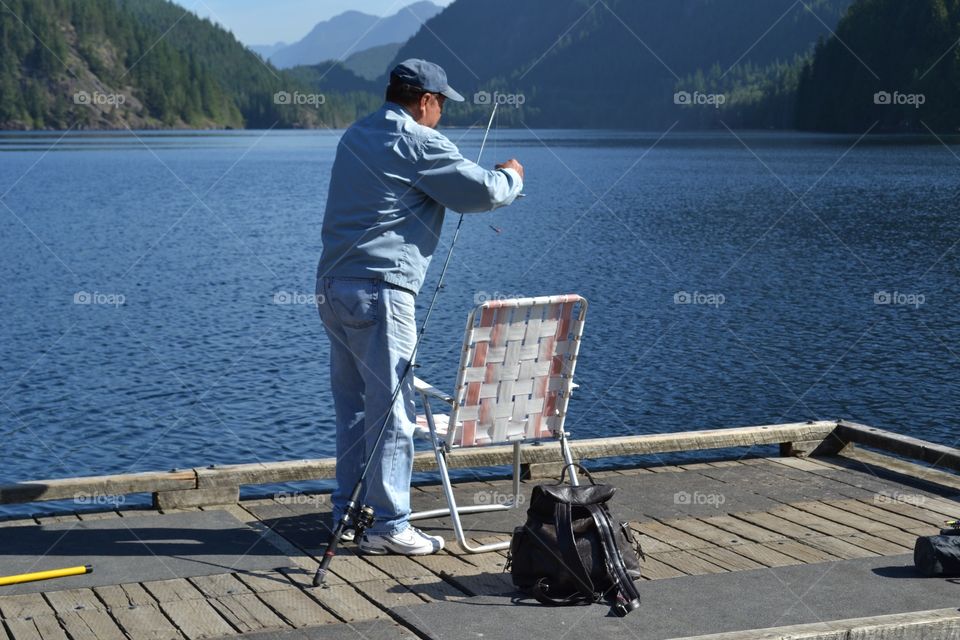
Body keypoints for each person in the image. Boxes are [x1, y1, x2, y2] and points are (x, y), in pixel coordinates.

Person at [316, 59, 525, 555]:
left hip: (333, 287)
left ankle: (349, 514)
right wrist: (511, 175)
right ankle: (390, 525)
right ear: (426, 100)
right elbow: (482, 192)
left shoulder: (355, 134)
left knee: (353, 409)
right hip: (380, 291)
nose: (442, 114)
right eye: (442, 104)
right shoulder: (418, 141)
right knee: (393, 411)